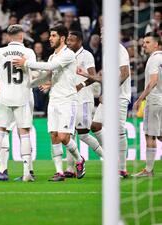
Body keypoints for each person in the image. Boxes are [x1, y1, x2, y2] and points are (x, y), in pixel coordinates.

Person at [13, 25, 86, 181]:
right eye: (50, 35)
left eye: (53, 35)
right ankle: (59, 172)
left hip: (68, 100)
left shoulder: (68, 55)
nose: (50, 38)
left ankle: (80, 160)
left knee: (64, 137)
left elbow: (50, 67)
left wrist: (26, 63)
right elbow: (48, 76)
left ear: (62, 38)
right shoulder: (53, 56)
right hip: (54, 100)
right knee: (54, 136)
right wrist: (27, 84)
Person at [0, 24, 37, 182]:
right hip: (23, 96)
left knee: (0, 131)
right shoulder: (28, 52)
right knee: (24, 133)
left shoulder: (0, 52)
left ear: (8, 37)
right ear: (22, 36)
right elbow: (34, 71)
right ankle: (27, 172)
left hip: (5, 97)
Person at [77, 32, 131, 178]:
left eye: (104, 34)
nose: (101, 37)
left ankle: (122, 168)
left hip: (120, 97)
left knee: (119, 131)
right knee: (95, 126)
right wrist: (87, 75)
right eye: (100, 34)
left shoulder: (119, 50)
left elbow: (125, 73)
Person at [65, 31, 103, 178]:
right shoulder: (66, 55)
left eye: (72, 40)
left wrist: (81, 84)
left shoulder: (86, 55)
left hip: (83, 100)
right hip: (69, 100)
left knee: (83, 135)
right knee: (69, 134)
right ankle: (69, 168)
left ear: (80, 41)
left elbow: (94, 76)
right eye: (68, 40)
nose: (69, 42)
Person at [132, 32, 162, 177]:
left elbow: (154, 80)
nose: (144, 45)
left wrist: (140, 99)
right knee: (160, 135)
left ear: (156, 44)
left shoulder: (153, 59)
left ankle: (149, 170)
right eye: (144, 42)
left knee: (149, 135)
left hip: (154, 101)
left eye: (148, 42)